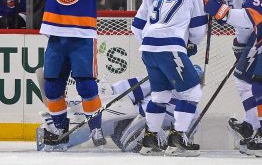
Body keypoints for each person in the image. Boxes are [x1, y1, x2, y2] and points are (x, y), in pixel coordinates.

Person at [16, 0, 143, 152]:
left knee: (86, 85)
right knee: (52, 85)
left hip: (82, 39)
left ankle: (95, 126)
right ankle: (60, 128)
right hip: (56, 39)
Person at [131, 0, 208, 156]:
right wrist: (190, 43)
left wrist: (152, 43)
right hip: (170, 47)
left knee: (160, 95)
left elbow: (136, 26)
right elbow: (199, 27)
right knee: (192, 92)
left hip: (148, 49)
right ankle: (178, 139)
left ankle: (150, 139)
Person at [37, 64, 204, 152]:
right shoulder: (162, 83)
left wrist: (164, 135)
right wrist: (110, 91)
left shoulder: (192, 111)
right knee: (104, 104)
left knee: (111, 113)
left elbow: (184, 138)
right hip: (128, 122)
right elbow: (131, 89)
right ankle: (59, 115)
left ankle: (57, 132)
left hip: (142, 138)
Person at [204, 0, 262, 157]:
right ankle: (261, 131)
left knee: (258, 85)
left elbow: (251, 17)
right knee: (259, 85)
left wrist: (220, 11)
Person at [217, 0, 260, 148]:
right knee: (253, 83)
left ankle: (254, 127)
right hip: (260, 34)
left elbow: (243, 20)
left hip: (256, 37)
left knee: (244, 82)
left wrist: (241, 43)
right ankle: (253, 125)